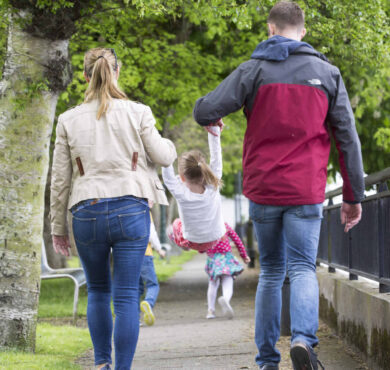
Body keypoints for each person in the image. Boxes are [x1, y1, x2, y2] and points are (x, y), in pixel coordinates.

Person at [193, 2, 364, 369]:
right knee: (303, 267)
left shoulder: (252, 71)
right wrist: (353, 197)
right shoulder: (328, 73)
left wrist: (214, 118)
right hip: (306, 190)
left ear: (271, 30)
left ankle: (267, 360)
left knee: (271, 272)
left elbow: (205, 110)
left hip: (264, 189)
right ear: (302, 32)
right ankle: (303, 341)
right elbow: (347, 139)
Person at [50, 47, 176, 370]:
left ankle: (102, 363)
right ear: (117, 72)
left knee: (97, 291)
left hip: (86, 212)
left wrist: (57, 228)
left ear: (84, 77)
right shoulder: (139, 112)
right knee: (125, 297)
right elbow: (163, 155)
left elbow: (60, 180)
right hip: (131, 211)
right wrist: (172, 147)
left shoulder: (67, 120)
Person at [162, 125, 226, 253]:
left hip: (192, 240)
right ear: (204, 169)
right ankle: (200, 246)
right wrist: (214, 130)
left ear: (182, 177)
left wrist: (166, 150)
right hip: (215, 238)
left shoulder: (181, 193)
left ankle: (184, 243)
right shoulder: (213, 184)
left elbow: (168, 178)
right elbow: (216, 157)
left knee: (175, 225)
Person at [205, 222, 250, 320]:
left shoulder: (205, 227)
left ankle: (210, 310)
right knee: (228, 282)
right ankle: (226, 300)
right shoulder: (224, 225)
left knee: (213, 284)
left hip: (213, 259)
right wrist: (244, 255)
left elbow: (200, 247)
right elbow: (237, 240)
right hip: (226, 258)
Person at [139, 211, 165, 326]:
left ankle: (134, 319)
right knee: (153, 284)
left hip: (128, 255)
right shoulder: (145, 210)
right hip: (145, 254)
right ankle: (148, 302)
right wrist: (159, 249)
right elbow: (151, 234)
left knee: (135, 288)